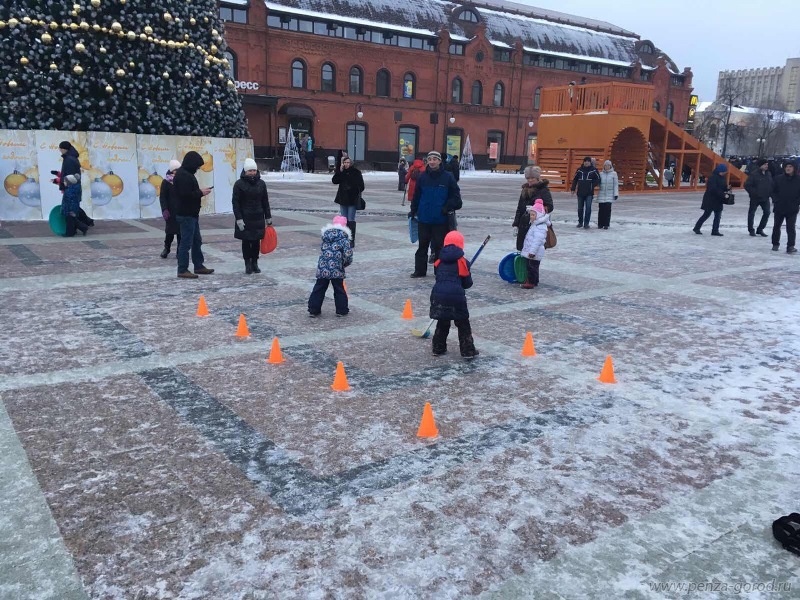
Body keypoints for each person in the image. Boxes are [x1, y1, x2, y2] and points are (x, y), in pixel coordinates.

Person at [408, 151, 462, 278]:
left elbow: (457, 199)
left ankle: (440, 271)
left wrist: (446, 207)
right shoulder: (422, 177)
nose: (432, 162)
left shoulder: (448, 177)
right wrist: (413, 210)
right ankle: (420, 271)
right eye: (429, 159)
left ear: (439, 161)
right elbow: (416, 196)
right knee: (422, 246)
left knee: (439, 248)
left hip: (440, 220)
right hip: (424, 219)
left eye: (434, 159)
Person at [430, 230, 478, 359]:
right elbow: (467, 284)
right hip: (456, 297)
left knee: (442, 321)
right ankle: (467, 350)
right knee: (463, 324)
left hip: (438, 295)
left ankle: (438, 347)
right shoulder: (463, 262)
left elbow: (439, 278)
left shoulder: (439, 261)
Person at [173, 151, 214, 279]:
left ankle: (198, 265)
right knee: (186, 242)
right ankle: (182, 269)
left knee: (197, 241)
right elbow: (186, 195)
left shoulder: (186, 174)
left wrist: (199, 192)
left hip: (191, 214)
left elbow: (189, 192)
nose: (197, 169)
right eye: (197, 166)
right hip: (186, 215)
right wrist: (200, 192)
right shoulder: (183, 175)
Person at [232, 158, 272, 274]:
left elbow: (265, 201)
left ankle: (255, 262)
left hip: (258, 217)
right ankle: (247, 263)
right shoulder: (239, 184)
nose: (252, 173)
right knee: (246, 241)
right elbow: (236, 203)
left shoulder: (261, 184)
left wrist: (268, 217)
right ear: (245, 171)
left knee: (256, 242)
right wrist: (239, 218)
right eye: (250, 171)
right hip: (245, 218)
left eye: (254, 170)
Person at [308, 215, 353, 317]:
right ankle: (341, 310)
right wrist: (344, 264)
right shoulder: (344, 238)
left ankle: (313, 309)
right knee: (339, 289)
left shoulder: (326, 236)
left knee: (319, 288)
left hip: (323, 267)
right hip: (337, 268)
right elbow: (348, 255)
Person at [513, 166, 553, 252]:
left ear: (537, 178)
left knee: (533, 251)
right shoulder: (525, 189)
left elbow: (550, 206)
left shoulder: (543, 190)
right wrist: (516, 224)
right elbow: (519, 208)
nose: (530, 180)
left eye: (532, 178)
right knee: (522, 249)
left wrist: (535, 210)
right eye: (528, 178)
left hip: (536, 225)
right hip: (523, 224)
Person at [58, 141, 94, 228]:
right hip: (74, 186)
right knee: (74, 206)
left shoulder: (69, 159)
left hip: (71, 187)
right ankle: (87, 221)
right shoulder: (71, 157)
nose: (59, 150)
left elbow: (70, 175)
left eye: (60, 148)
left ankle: (80, 226)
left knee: (70, 208)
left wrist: (65, 184)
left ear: (63, 149)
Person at [332, 155, 364, 247]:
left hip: (352, 200)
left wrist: (353, 190)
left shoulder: (356, 172)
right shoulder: (342, 172)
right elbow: (334, 181)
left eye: (348, 162)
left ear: (351, 163)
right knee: (343, 220)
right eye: (345, 162)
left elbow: (361, 186)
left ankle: (351, 239)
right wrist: (339, 171)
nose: (346, 164)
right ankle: (343, 238)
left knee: (351, 220)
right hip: (343, 199)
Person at [770, 160, 800, 253]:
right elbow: (772, 191)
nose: (788, 168)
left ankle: (790, 246)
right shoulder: (778, 178)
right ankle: (775, 244)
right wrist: (776, 200)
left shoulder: (798, 180)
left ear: (794, 168)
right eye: (787, 166)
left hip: (792, 208)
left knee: (790, 228)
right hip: (780, 206)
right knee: (776, 226)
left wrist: (797, 202)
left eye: (790, 166)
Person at [520, 198, 550, 289]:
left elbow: (537, 241)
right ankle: (534, 281)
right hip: (533, 251)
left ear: (539, 215)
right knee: (533, 266)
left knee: (532, 267)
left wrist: (532, 252)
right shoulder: (535, 224)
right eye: (531, 215)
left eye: (533, 215)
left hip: (535, 252)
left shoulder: (540, 226)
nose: (531, 217)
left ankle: (531, 282)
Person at [693, 164, 729, 236]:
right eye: (723, 172)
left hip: (718, 200)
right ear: (720, 171)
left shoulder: (722, 177)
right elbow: (713, 189)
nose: (724, 173)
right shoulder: (713, 178)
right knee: (706, 214)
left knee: (718, 216)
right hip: (710, 199)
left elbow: (722, 187)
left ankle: (715, 231)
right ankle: (697, 227)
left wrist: (727, 188)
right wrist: (723, 194)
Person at [159, 159, 181, 258]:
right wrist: (164, 209)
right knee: (170, 232)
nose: (177, 171)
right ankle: (166, 248)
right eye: (176, 169)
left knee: (181, 232)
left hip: (181, 210)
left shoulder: (181, 180)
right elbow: (162, 197)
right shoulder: (166, 182)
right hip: (170, 211)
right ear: (171, 170)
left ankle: (179, 251)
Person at [744, 158, 772, 237]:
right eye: (765, 164)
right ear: (760, 165)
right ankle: (751, 230)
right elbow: (747, 185)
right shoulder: (754, 174)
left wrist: (770, 193)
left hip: (765, 197)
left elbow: (771, 184)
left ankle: (760, 229)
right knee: (752, 213)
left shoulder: (768, 174)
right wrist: (754, 193)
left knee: (767, 213)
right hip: (755, 198)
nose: (767, 166)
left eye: (767, 164)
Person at [571, 156, 600, 228]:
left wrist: (591, 185)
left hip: (589, 193)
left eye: (588, 161)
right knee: (580, 208)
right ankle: (580, 222)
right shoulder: (579, 170)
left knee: (588, 208)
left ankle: (586, 223)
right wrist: (573, 189)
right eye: (585, 161)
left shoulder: (594, 170)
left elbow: (598, 179)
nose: (586, 162)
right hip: (580, 192)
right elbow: (575, 180)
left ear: (590, 162)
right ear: (583, 162)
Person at [597, 160, 619, 230]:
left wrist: (616, 194)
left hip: (609, 194)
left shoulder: (614, 174)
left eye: (608, 165)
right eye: (605, 165)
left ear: (610, 166)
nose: (607, 167)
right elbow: (598, 183)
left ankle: (606, 224)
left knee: (607, 209)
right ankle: (600, 224)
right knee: (601, 210)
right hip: (601, 194)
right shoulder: (601, 174)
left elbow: (615, 184)